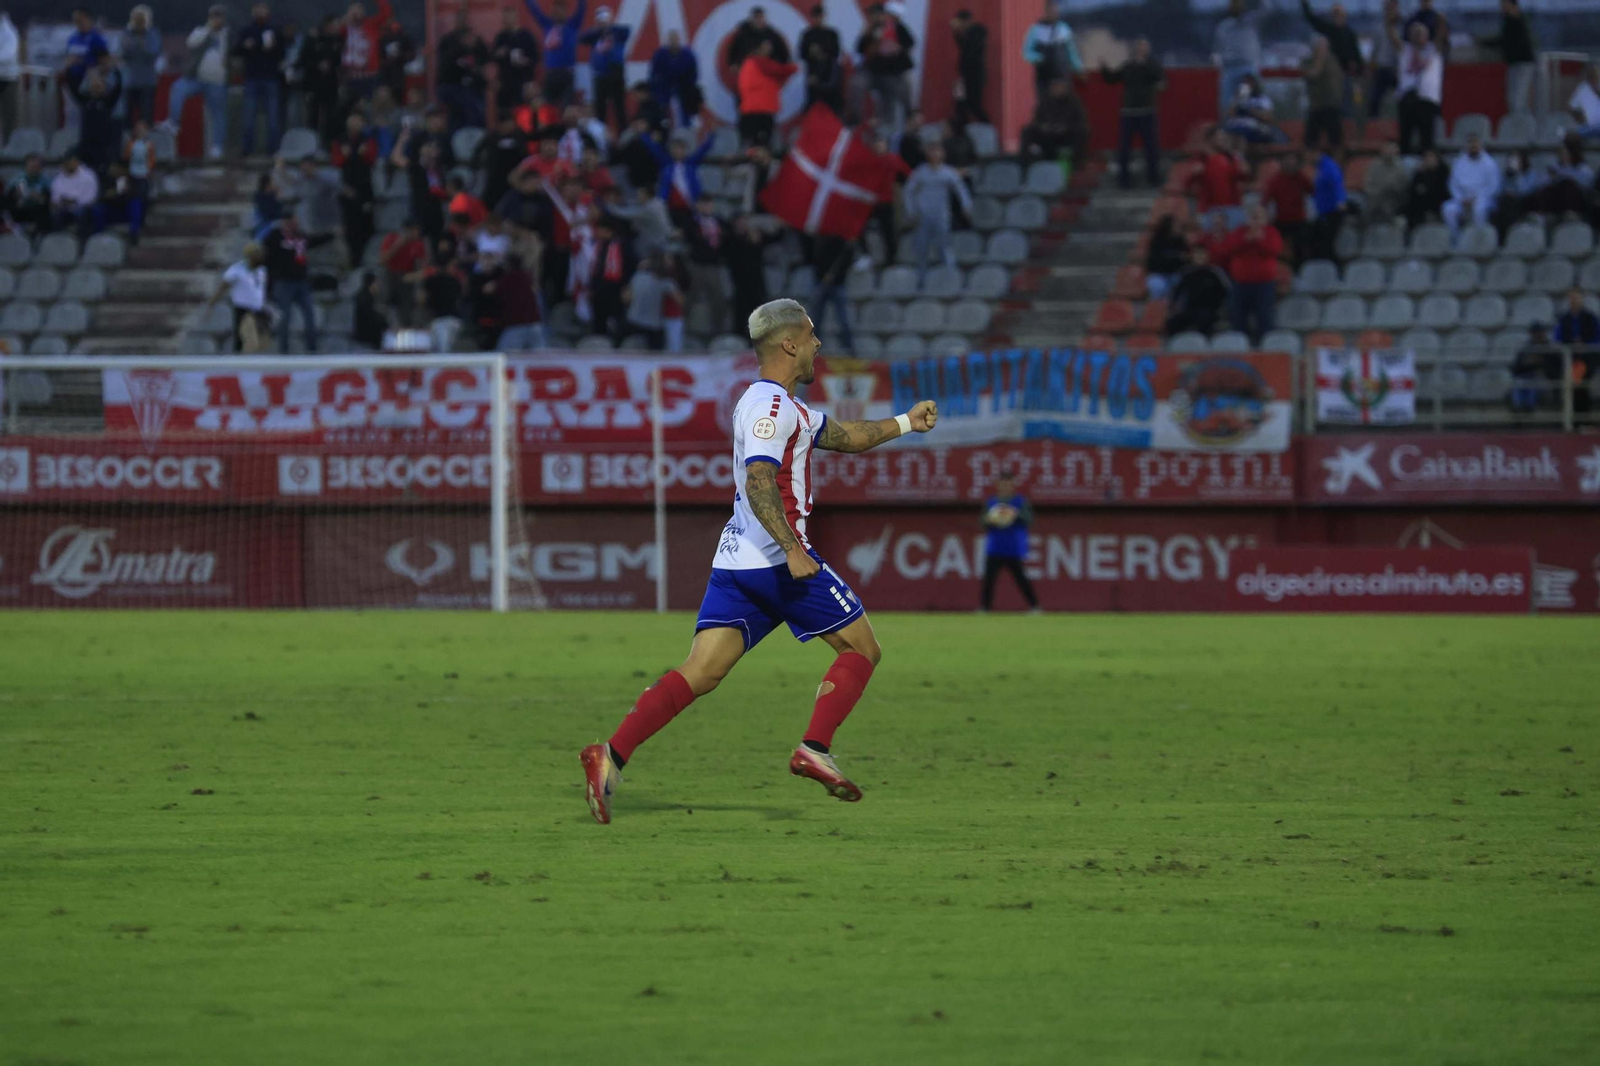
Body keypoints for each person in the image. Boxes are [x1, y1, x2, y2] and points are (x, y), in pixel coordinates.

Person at [578, 298, 940, 825]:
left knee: (701, 671)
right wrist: (793, 550)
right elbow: (759, 478)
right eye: (812, 335)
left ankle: (609, 754)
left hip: (737, 560)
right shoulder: (770, 408)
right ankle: (814, 747)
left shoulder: (778, 406)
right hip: (776, 559)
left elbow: (846, 437)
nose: (819, 344)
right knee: (863, 648)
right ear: (790, 343)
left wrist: (907, 422)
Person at [162, 6, 230, 160]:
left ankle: (217, 147)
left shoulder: (227, 34)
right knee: (177, 88)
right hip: (195, 78)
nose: (217, 20)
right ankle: (174, 122)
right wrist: (208, 29)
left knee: (218, 114)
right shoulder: (201, 31)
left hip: (216, 81)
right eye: (214, 16)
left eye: (219, 17)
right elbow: (191, 43)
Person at [904, 140, 972, 289]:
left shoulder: (948, 172)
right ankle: (920, 281)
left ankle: (951, 278)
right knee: (921, 249)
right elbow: (909, 191)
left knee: (944, 246)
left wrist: (966, 205)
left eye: (937, 151)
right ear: (927, 153)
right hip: (923, 215)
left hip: (941, 215)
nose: (934, 154)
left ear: (942, 153)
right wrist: (911, 210)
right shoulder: (920, 172)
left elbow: (960, 189)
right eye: (931, 151)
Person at [1101, 38, 1163, 189]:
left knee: (1150, 147)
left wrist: (1145, 65)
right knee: (1124, 148)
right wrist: (1105, 69)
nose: (1142, 50)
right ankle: (1124, 180)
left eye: (1144, 47)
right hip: (1128, 113)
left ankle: (1153, 178)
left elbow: (1161, 80)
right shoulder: (1128, 66)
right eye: (1139, 47)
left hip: (1146, 111)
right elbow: (1113, 79)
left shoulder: (1152, 65)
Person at [263, 213, 328, 352]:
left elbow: (312, 241)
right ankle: (283, 351)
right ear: (287, 221)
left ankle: (312, 349)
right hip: (283, 282)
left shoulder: (299, 235)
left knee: (309, 314)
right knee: (284, 318)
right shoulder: (275, 236)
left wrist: (330, 236)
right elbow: (265, 254)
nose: (297, 223)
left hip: (301, 282)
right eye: (294, 221)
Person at [1220, 203, 1282, 344]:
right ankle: (1240, 346)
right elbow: (1228, 248)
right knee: (1238, 317)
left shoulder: (1271, 232)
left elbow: (1275, 249)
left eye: (1258, 216)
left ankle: (1265, 347)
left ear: (1265, 218)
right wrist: (1246, 240)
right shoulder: (1239, 232)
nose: (1255, 220)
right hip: (1240, 283)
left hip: (1264, 283)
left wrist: (1259, 240)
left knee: (1264, 317)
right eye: (1253, 216)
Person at [979, 473, 1039, 613]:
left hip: (1013, 547)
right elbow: (982, 521)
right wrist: (991, 519)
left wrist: (1013, 514)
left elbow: (1029, 519)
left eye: (1008, 484)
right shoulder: (991, 502)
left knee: (1021, 579)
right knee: (989, 580)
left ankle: (1035, 606)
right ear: (998, 485)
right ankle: (985, 608)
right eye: (1003, 483)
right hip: (995, 547)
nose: (1005, 487)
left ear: (1013, 485)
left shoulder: (1020, 502)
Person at [857, 3, 916, 136]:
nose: (873, 17)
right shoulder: (869, 30)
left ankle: (906, 126)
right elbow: (860, 49)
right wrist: (867, 35)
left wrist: (897, 48)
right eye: (871, 15)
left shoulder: (895, 27)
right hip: (879, 73)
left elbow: (910, 43)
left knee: (902, 101)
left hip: (899, 72)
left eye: (875, 14)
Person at [235, 3, 285, 156]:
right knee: (248, 118)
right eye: (257, 10)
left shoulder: (275, 30)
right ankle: (247, 149)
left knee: (273, 119)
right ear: (252, 12)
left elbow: (282, 53)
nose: (260, 13)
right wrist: (245, 46)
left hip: (271, 78)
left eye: (263, 10)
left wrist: (274, 47)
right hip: (252, 78)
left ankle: (273, 150)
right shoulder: (247, 30)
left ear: (268, 12)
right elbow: (236, 51)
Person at [1299, 1, 1361, 120]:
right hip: (1330, 76)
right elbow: (1312, 19)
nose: (1336, 16)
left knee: (1347, 104)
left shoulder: (1350, 34)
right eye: (1334, 13)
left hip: (1346, 75)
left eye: (1338, 13)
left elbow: (1356, 56)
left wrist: (1357, 68)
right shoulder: (1330, 30)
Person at [332, 111, 378, 266]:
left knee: (366, 226)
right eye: (352, 120)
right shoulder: (340, 140)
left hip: (365, 189)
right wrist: (347, 155)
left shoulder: (368, 140)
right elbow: (337, 161)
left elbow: (372, 159)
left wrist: (362, 154)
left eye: (358, 120)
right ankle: (353, 260)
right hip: (347, 189)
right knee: (350, 228)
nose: (355, 123)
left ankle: (362, 258)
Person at [209, 242, 270, 351]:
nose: (261, 257)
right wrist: (213, 302)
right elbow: (224, 286)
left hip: (258, 308)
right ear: (250, 256)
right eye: (258, 254)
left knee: (263, 339)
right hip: (242, 308)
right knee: (242, 338)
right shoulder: (237, 269)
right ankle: (238, 361)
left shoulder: (262, 270)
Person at [683, 194, 731, 334]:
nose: (707, 207)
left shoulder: (720, 222)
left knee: (718, 298)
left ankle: (718, 330)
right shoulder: (692, 222)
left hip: (713, 265)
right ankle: (680, 327)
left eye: (709, 204)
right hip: (696, 265)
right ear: (698, 206)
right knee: (690, 296)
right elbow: (689, 238)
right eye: (703, 204)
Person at [1019, 77, 1088, 173]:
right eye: (1054, 86)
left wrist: (1065, 127)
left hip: (1066, 134)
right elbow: (1037, 120)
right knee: (1027, 131)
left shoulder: (1074, 102)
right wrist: (1043, 126)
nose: (1056, 89)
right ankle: (1024, 165)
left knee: (1081, 132)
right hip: (1047, 134)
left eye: (1059, 86)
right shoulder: (1045, 101)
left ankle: (1076, 166)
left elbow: (1080, 121)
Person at [523, 0, 585, 105]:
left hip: (567, 74)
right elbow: (534, 10)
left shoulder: (573, 25)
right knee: (548, 110)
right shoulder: (547, 25)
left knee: (567, 109)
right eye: (554, 10)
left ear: (565, 11)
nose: (556, 13)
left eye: (559, 10)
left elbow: (581, 9)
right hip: (550, 74)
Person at [1479, 0, 1536, 115]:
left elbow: (1504, 41)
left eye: (1503, 4)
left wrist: (1483, 42)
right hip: (1514, 64)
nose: (1501, 8)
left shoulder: (1515, 20)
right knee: (1514, 100)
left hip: (1522, 64)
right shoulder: (1512, 20)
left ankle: (1522, 128)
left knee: (1517, 101)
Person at [737, 41, 796, 151]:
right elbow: (780, 70)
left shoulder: (747, 63)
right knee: (764, 141)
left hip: (750, 108)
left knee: (753, 141)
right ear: (759, 49)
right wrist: (794, 67)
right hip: (762, 108)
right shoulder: (761, 62)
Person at [437, 11, 489, 132]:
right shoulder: (448, 40)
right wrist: (462, 48)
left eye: (465, 19)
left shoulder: (476, 40)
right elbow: (444, 65)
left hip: (474, 87)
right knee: (457, 119)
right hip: (453, 87)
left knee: (477, 117)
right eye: (460, 19)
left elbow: (486, 59)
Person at [67, 53, 122, 170]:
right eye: (94, 85)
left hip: (103, 146)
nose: (97, 87)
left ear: (104, 88)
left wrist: (116, 69)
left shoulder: (107, 102)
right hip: (86, 145)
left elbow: (118, 88)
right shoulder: (85, 101)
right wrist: (69, 68)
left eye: (99, 85)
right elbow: (72, 87)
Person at [1164, 244, 1231, 338]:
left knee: (1204, 320)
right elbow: (1177, 292)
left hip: (1211, 310)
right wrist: (1172, 306)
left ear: (1207, 256)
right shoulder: (1186, 272)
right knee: (1172, 322)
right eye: (1197, 255)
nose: (1199, 257)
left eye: (1202, 254)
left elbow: (1226, 292)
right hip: (1190, 308)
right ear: (1192, 256)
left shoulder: (1215, 273)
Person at [581, 6, 630, 133]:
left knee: (619, 108)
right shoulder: (594, 36)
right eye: (601, 22)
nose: (603, 24)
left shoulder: (618, 33)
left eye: (605, 21)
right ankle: (601, 136)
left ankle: (623, 134)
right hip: (600, 76)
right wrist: (598, 31)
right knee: (600, 110)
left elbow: (626, 31)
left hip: (616, 74)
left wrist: (608, 29)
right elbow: (582, 39)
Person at [297, 16, 344, 147]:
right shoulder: (313, 39)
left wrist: (332, 65)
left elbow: (339, 60)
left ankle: (327, 144)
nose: (336, 28)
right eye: (334, 25)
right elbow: (303, 60)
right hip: (314, 84)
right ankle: (310, 144)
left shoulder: (337, 40)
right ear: (327, 25)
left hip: (330, 85)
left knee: (330, 115)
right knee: (313, 115)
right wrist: (317, 65)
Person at [340, 0, 393, 114]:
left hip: (369, 77)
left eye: (360, 9)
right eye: (354, 9)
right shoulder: (344, 29)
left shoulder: (370, 25)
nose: (357, 12)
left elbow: (386, 12)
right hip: (350, 78)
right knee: (348, 109)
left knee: (369, 110)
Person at [1191, 127, 1250, 230]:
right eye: (1219, 136)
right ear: (1209, 139)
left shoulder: (1232, 158)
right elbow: (1190, 183)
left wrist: (1244, 170)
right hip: (1209, 209)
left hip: (1232, 207)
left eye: (1223, 136)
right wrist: (1196, 174)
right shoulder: (1200, 159)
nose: (1222, 139)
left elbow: (1244, 177)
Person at [1397, 22, 1443, 155]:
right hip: (1407, 98)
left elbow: (1441, 37)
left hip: (1427, 98)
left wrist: (1441, 23)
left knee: (1427, 138)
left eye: (1421, 33)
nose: (1418, 36)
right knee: (1406, 136)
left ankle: (1427, 165)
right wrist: (1389, 23)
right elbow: (1393, 38)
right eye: (1415, 33)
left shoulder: (1434, 49)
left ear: (1427, 36)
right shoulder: (1405, 49)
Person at [1023, 2, 1081, 106]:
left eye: (1055, 10)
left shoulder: (1064, 29)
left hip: (1062, 76)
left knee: (1064, 107)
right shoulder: (1036, 30)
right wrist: (1040, 58)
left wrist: (1078, 67)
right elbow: (1027, 52)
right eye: (1050, 11)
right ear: (1045, 12)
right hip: (1045, 77)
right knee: (1046, 106)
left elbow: (1071, 51)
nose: (1053, 13)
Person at [1442, 134, 1501, 237]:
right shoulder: (1459, 162)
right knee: (1448, 208)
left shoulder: (1489, 163)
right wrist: (1461, 198)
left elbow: (1493, 186)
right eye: (1470, 144)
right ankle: (1455, 238)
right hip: (1463, 199)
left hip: (1483, 199)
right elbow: (1453, 184)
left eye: (1475, 144)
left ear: (1480, 145)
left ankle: (1479, 238)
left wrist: (1476, 198)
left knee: (1479, 209)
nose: (1473, 146)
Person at [806, 234, 856, 355]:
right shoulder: (819, 237)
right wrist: (822, 275)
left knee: (842, 318)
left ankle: (849, 348)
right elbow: (815, 257)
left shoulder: (844, 239)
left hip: (838, 283)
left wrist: (836, 276)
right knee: (816, 319)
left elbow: (846, 259)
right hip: (821, 281)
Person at [1212, 0, 1262, 117]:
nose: (1235, 6)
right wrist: (1217, 62)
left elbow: (1268, 8)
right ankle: (1227, 130)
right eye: (1232, 4)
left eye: (1238, 3)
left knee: (1245, 101)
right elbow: (1216, 50)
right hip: (1228, 70)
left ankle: (1247, 128)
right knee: (1226, 105)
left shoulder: (1252, 21)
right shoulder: (1223, 26)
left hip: (1247, 69)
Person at [727, 6, 789, 101]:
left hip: (766, 77)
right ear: (752, 19)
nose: (759, 21)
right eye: (756, 18)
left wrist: (776, 67)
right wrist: (733, 64)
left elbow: (784, 54)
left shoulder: (772, 35)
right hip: (746, 76)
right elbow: (732, 51)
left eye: (761, 17)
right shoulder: (742, 34)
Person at [1264, 151, 1313, 266]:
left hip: (1299, 220)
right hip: (1282, 220)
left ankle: (1301, 270)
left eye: (1293, 160)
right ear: (1283, 163)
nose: (1291, 163)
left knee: (1302, 247)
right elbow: (1266, 200)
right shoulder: (1275, 180)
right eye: (1288, 160)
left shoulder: (1301, 178)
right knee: (1273, 244)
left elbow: (1312, 191)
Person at [1554, 288, 1598, 415]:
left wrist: (1585, 345)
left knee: (1581, 386)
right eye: (1571, 298)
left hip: (1587, 358)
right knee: (1570, 386)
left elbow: (1597, 338)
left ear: (1582, 299)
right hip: (1568, 358)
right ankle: (1570, 418)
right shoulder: (1564, 319)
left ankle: (1583, 418)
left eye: (1576, 298)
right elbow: (1557, 338)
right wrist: (1569, 345)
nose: (1573, 301)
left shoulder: (1591, 318)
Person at [378, 219, 427, 324]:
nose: (416, 233)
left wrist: (420, 285)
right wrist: (397, 245)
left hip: (407, 276)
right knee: (384, 296)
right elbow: (382, 261)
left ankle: (405, 324)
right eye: (414, 230)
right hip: (390, 274)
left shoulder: (418, 243)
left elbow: (422, 266)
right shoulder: (391, 238)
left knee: (407, 305)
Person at [492, 6, 539, 114]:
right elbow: (493, 57)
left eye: (509, 17)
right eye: (505, 18)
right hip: (505, 81)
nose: (506, 20)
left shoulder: (526, 36)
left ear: (515, 18)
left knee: (523, 110)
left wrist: (525, 61)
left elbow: (535, 58)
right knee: (504, 112)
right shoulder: (501, 37)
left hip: (523, 80)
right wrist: (499, 53)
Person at [649, 30, 701, 128]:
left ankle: (686, 128)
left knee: (685, 114)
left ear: (679, 40)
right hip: (665, 88)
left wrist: (690, 86)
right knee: (664, 114)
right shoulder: (660, 55)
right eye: (671, 39)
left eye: (675, 39)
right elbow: (654, 73)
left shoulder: (688, 55)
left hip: (683, 88)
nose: (673, 41)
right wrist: (656, 87)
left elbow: (693, 72)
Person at [119, 6, 161, 125]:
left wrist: (139, 44)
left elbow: (153, 53)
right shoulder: (126, 33)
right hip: (129, 81)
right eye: (136, 20)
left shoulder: (153, 34)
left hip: (147, 82)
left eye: (141, 20)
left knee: (146, 117)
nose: (138, 23)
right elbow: (122, 53)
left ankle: (147, 142)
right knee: (126, 117)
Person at [799, 5, 843, 116]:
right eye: (815, 17)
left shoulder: (831, 34)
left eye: (820, 16)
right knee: (813, 103)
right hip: (813, 74)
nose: (818, 19)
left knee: (831, 103)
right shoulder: (808, 35)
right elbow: (802, 54)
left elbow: (836, 53)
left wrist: (822, 53)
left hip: (830, 75)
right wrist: (811, 53)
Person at [1302, 36, 1344, 152]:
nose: (1323, 49)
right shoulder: (1307, 61)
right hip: (1316, 105)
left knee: (1336, 141)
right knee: (1310, 142)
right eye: (1320, 47)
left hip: (1332, 104)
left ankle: (1337, 167)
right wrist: (1320, 59)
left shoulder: (1333, 60)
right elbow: (1313, 74)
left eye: (1325, 47)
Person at [950, 8, 988, 125]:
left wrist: (962, 32)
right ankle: (961, 131)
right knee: (959, 105)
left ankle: (988, 127)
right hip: (962, 75)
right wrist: (956, 32)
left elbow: (971, 48)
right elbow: (961, 46)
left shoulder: (978, 31)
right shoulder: (963, 34)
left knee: (974, 105)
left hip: (975, 75)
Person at [1222, 74, 1284, 146]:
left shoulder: (1262, 99)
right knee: (1227, 133)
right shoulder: (1236, 99)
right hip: (1235, 126)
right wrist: (1237, 100)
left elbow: (1269, 118)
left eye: (1249, 83)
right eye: (1244, 83)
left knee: (1240, 136)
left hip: (1255, 129)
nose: (1247, 85)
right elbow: (1229, 115)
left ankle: (1238, 156)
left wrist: (1250, 110)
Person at [50, 153, 100, 241]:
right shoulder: (58, 178)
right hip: (64, 208)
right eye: (66, 163)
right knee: (55, 214)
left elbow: (91, 197)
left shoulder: (88, 176)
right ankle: (58, 241)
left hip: (83, 207)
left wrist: (74, 201)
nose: (69, 164)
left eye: (71, 162)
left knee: (84, 212)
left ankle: (82, 242)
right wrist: (62, 202)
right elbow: (55, 198)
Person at [1311, 148, 1348, 263]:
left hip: (1332, 211)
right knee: (1321, 243)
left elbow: (1336, 183)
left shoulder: (1328, 166)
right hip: (1325, 211)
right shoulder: (1321, 167)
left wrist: (1340, 201)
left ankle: (1337, 271)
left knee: (1327, 244)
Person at [1367, 0, 1403, 119]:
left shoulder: (1403, 26)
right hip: (1383, 68)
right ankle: (1373, 123)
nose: (1390, 11)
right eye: (1387, 8)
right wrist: (1371, 69)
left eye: (1392, 8)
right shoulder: (1379, 28)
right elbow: (1374, 51)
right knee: (1375, 99)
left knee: (1403, 99)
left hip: (1399, 69)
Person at [1510, 322, 1554, 412]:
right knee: (1518, 383)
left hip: (1543, 377)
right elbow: (1516, 369)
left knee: (1533, 385)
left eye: (1539, 333)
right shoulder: (1526, 348)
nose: (1537, 335)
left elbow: (1554, 367)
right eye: (1534, 333)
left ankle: (1529, 407)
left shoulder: (1549, 348)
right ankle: (1518, 407)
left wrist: (1541, 362)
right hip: (1527, 375)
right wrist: (1528, 363)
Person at [1362, 141, 1408, 223]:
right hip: (1375, 199)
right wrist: (1377, 193)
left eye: (1392, 150)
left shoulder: (1401, 168)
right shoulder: (1374, 166)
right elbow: (1368, 186)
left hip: (1392, 201)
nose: (1390, 152)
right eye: (1388, 149)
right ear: (1382, 150)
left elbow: (1402, 189)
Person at [1144, 214, 1189, 300]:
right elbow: (1155, 262)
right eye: (1176, 225)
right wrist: (1175, 258)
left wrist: (1173, 259)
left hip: (1175, 274)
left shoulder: (1180, 241)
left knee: (1183, 284)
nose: (1178, 228)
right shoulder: (1157, 241)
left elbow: (1185, 259)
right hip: (1159, 274)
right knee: (1158, 286)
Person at [1404, 147, 1449, 229]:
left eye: (1431, 157)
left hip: (1436, 205)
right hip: (1419, 207)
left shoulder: (1443, 174)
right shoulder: (1419, 174)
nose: (1429, 160)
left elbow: (1442, 192)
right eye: (1426, 158)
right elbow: (1413, 191)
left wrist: (1425, 190)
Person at [7, 154, 51, 236]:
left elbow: (47, 201)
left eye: (37, 167)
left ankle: (38, 231)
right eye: (32, 166)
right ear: (26, 167)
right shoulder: (16, 181)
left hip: (37, 212)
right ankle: (16, 227)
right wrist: (17, 196)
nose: (34, 169)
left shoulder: (46, 182)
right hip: (20, 211)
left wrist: (39, 198)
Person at [377, 15, 415, 104]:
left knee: (399, 99)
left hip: (400, 75)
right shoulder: (383, 39)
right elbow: (379, 56)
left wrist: (400, 57)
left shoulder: (404, 37)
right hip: (386, 75)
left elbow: (411, 54)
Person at [1568, 65, 1600, 138]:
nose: (1594, 78)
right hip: (1588, 128)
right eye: (1592, 76)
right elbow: (1571, 107)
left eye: (1596, 76)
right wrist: (1580, 118)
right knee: (1573, 137)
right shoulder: (1582, 88)